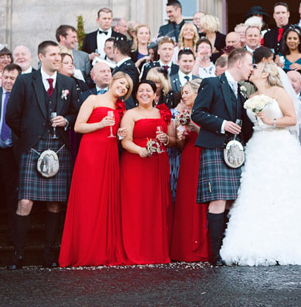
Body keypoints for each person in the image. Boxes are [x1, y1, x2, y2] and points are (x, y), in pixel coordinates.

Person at [221, 62, 301, 266]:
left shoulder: (279, 92)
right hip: (258, 146)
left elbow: (293, 119)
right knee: (258, 193)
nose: (252, 70)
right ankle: (257, 241)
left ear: (266, 73)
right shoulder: (250, 96)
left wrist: (271, 122)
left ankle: (287, 241)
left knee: (283, 191)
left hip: (279, 145)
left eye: (256, 68)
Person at [5, 41, 80, 269]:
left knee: (55, 204)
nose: (58, 58)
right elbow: (12, 116)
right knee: (25, 202)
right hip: (33, 147)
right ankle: (18, 254)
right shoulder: (26, 81)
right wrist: (30, 137)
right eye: (54, 54)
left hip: (59, 148)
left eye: (59, 55)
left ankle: (49, 254)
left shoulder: (68, 82)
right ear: (41, 57)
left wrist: (67, 120)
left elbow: (77, 112)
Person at [58, 72, 133, 267]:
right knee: (88, 199)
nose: (123, 88)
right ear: (113, 81)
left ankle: (102, 249)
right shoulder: (93, 99)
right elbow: (78, 127)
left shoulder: (120, 108)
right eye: (122, 83)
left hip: (109, 155)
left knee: (105, 200)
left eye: (126, 87)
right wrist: (100, 124)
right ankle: (84, 250)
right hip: (90, 154)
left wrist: (119, 134)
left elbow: (111, 134)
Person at [191, 47, 254, 266]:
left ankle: (230, 250)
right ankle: (215, 255)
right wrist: (221, 124)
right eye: (249, 64)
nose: (251, 68)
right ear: (238, 63)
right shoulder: (211, 83)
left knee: (232, 201)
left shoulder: (242, 90)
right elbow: (197, 113)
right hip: (216, 147)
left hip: (235, 151)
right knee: (217, 201)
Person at [119, 80, 175, 264]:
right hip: (135, 163)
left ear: (154, 94)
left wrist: (167, 139)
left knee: (155, 205)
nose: (144, 93)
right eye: (141, 90)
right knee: (135, 205)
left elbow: (174, 140)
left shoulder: (163, 112)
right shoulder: (130, 114)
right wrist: (140, 150)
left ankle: (155, 250)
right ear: (135, 95)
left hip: (158, 164)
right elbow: (125, 141)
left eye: (148, 90)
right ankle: (135, 248)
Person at [170, 79, 209, 262]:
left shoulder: (206, 112)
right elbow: (179, 145)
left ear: (196, 93)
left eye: (186, 93)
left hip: (202, 157)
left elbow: (211, 135)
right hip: (187, 156)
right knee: (185, 199)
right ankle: (184, 247)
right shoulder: (183, 114)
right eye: (182, 93)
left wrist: (193, 128)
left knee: (200, 200)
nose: (183, 96)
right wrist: (180, 136)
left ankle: (201, 246)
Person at [0, 63, 21, 249]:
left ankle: (13, 237)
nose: (9, 82)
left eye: (13, 79)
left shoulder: (22, 98)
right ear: (1, 77)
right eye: (6, 78)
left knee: (12, 196)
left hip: (13, 153)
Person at [111, 38, 139, 105]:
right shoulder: (124, 66)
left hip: (124, 105)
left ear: (116, 50)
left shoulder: (128, 67)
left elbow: (127, 90)